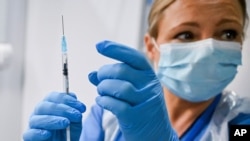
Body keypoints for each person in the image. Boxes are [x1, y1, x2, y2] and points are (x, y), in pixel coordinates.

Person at [23, 0, 250, 140]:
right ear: (152, 47)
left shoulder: (243, 124)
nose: (208, 48)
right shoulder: (108, 116)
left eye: (228, 34)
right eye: (186, 34)